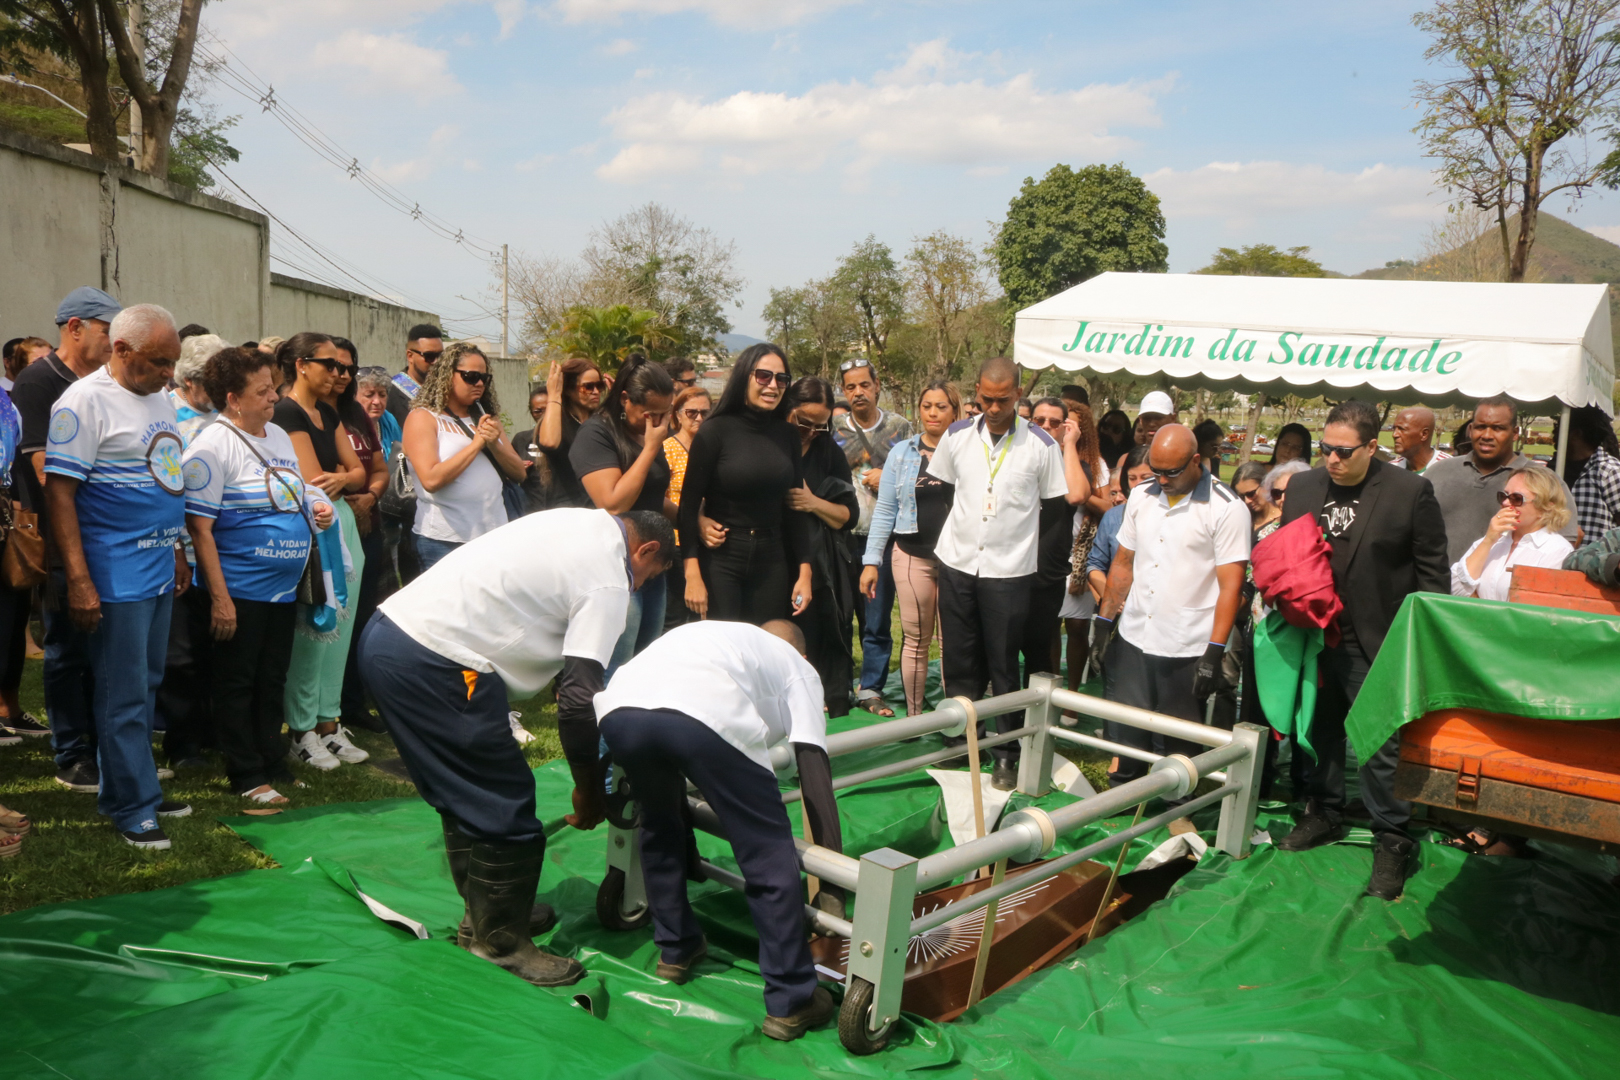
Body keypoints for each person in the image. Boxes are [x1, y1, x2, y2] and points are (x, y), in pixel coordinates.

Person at [359, 507, 675, 988]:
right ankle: (501, 947)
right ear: (645, 549)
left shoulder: (579, 521)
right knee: (505, 806)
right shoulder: (609, 578)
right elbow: (575, 702)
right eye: (647, 576)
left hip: (393, 635)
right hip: (438, 660)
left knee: (469, 793)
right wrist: (587, 788)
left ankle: (486, 919)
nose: (638, 588)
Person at [595, 618, 840, 1040]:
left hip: (619, 712)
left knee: (659, 822)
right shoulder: (798, 667)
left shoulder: (717, 637)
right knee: (767, 854)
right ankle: (791, 999)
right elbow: (812, 765)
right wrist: (834, 886)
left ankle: (676, 947)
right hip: (701, 716)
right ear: (801, 653)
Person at [1273, 400, 1449, 900]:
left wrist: (1422, 646)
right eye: (1325, 448)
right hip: (1313, 633)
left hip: (1378, 638)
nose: (1331, 458)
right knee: (1319, 729)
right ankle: (1323, 811)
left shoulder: (1410, 492)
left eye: (1343, 451)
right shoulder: (1305, 486)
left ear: (1373, 447)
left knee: (1378, 744)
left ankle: (1392, 839)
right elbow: (1288, 557)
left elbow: (1433, 575)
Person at [44, 303, 193, 849]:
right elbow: (60, 493)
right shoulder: (83, 402)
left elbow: (167, 474)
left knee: (146, 684)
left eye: (173, 363)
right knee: (121, 692)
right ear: (121, 350)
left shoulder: (157, 397)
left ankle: (135, 785)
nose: (168, 375)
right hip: (115, 569)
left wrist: (177, 547)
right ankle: (133, 807)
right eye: (159, 362)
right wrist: (79, 580)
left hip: (157, 564)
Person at [183, 346, 336, 805]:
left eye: (273, 387)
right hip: (238, 591)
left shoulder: (278, 436)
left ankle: (273, 761)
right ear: (233, 398)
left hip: (281, 591)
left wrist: (316, 507)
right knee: (237, 682)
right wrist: (220, 598)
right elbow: (200, 529)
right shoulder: (211, 447)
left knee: (272, 678)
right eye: (263, 390)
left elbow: (295, 490)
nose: (275, 397)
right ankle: (246, 773)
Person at [929, 356, 1088, 789]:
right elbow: (946, 492)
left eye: (1002, 400)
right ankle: (962, 740)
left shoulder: (1040, 445)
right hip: (959, 562)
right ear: (977, 393)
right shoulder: (957, 436)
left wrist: (1032, 564)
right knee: (960, 659)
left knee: (1003, 665)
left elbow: (1056, 510)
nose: (994, 408)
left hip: (1010, 572)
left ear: (1018, 394)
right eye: (986, 399)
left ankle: (1005, 752)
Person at [1092, 424, 1249, 793]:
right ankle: (1123, 796)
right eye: (1156, 470)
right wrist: (1104, 622)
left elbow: (1231, 587)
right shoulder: (1143, 497)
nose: (1161, 479)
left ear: (1196, 461)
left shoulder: (1227, 509)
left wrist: (1214, 651)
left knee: (1180, 741)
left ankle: (1178, 810)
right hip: (1134, 634)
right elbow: (1123, 563)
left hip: (1187, 643)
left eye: (1171, 472)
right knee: (1128, 729)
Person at [16, 286, 123, 791]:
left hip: (109, 536)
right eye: (106, 331)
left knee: (105, 646)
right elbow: (44, 472)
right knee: (65, 648)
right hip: (62, 539)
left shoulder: (109, 381)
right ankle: (72, 753)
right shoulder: (40, 383)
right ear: (75, 327)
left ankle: (107, 745)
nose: (113, 342)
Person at [273, 333, 369, 771]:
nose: (337, 373)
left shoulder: (327, 412)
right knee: (315, 628)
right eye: (328, 364)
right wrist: (343, 477)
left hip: (343, 520)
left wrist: (345, 478)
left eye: (340, 366)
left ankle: (329, 723)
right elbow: (312, 478)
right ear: (300, 365)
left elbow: (358, 472)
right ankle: (301, 729)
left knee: (341, 628)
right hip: (317, 525)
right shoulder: (286, 411)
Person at [678, 344, 813, 625]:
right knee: (723, 650)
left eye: (781, 379)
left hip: (773, 559)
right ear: (744, 377)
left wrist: (805, 571)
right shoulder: (714, 431)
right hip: (722, 558)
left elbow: (795, 507)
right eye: (764, 376)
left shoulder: (788, 435)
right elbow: (688, 506)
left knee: (765, 648)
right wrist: (692, 574)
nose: (773, 385)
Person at [861, 380, 960, 719]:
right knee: (916, 640)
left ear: (954, 411)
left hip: (956, 562)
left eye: (941, 406)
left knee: (952, 641)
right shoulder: (902, 454)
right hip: (911, 556)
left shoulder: (967, 450)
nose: (933, 413)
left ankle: (955, 717)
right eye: (927, 406)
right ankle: (915, 718)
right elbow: (886, 509)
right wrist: (871, 561)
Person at [571, 354, 677, 673]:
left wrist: (694, 517)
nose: (657, 422)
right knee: (617, 660)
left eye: (664, 413)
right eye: (650, 414)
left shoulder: (648, 433)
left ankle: (637, 720)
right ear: (625, 399)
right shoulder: (596, 434)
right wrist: (648, 450)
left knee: (645, 657)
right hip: (613, 565)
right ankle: (603, 720)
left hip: (650, 562)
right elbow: (613, 502)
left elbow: (654, 496)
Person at [154, 331, 228, 769]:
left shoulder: (226, 418)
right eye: (215, 383)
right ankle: (182, 745)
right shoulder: (168, 419)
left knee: (217, 649)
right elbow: (168, 492)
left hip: (223, 554)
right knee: (181, 655)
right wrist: (180, 549)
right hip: (181, 553)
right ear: (191, 381)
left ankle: (214, 731)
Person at [832, 358, 912, 717]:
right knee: (839, 615)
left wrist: (889, 477)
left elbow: (916, 476)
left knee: (876, 617)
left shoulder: (900, 428)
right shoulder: (832, 428)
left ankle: (872, 687)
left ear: (877, 386)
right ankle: (839, 685)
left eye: (864, 385)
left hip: (883, 540)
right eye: (850, 387)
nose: (858, 392)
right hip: (840, 537)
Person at [404, 342, 526, 573]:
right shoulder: (423, 418)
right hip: (444, 541)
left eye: (484, 378)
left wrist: (495, 445)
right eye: (470, 376)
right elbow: (431, 480)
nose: (479, 383)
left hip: (493, 535)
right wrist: (477, 443)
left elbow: (519, 472)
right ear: (447, 375)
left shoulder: (486, 417)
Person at [327, 339, 391, 734]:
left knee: (361, 618)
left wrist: (368, 497)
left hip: (368, 524)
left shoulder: (355, 415)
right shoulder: (302, 416)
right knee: (329, 620)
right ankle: (319, 716)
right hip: (329, 526)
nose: (342, 376)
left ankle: (352, 704)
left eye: (349, 369)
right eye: (335, 367)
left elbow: (379, 469)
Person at [1427, 396, 1577, 564]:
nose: (1487, 435)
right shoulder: (1439, 472)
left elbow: (1565, 543)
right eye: (1480, 427)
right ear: (1470, 429)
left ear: (1514, 433)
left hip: (1503, 586)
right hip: (1437, 586)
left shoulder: (1543, 481)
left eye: (1498, 428)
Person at [785, 376, 859, 716]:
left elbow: (848, 515)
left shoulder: (828, 452)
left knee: (821, 642)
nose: (812, 431)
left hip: (820, 567)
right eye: (805, 422)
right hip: (772, 562)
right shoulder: (767, 444)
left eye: (821, 425)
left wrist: (812, 502)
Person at [1022, 398, 1099, 706]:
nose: (1045, 427)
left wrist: (1068, 444)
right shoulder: (1016, 457)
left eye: (1055, 423)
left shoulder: (1073, 466)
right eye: (1038, 420)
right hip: (1011, 569)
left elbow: (1078, 494)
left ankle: (1035, 721)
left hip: (1047, 573)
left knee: (1039, 652)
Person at [1054, 403, 1112, 698]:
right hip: (1051, 554)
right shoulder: (1048, 456)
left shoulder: (1096, 464)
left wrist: (1081, 490)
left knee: (1076, 628)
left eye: (1072, 426)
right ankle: (1049, 692)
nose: (1066, 430)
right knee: (1049, 628)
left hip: (1080, 557)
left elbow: (1108, 507)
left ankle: (1072, 695)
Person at [1451, 467, 1574, 601]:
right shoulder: (1491, 540)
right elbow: (1455, 589)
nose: (1505, 503)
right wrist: (1488, 540)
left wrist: (1478, 601)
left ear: (1545, 507)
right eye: (1503, 496)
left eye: (1516, 498)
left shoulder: (1557, 550)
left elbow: (1534, 605)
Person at [660, 385, 710, 633]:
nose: (699, 418)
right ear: (677, 414)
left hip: (711, 540)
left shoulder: (713, 447)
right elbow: (660, 497)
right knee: (676, 615)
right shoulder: (667, 449)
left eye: (705, 413)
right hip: (679, 541)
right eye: (692, 412)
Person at [537, 356, 604, 508]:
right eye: (588, 387)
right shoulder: (559, 421)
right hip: (567, 510)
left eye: (599, 386)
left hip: (598, 508)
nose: (595, 392)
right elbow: (549, 443)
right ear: (568, 389)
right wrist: (554, 395)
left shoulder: (601, 422)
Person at [1566, 405, 1620, 540]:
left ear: (1575, 434)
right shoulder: (1556, 470)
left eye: (1559, 429)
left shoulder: (1608, 470)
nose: (1554, 435)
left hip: (1594, 559)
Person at [168, 333, 223, 444]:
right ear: (189, 380)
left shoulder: (229, 406)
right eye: (212, 384)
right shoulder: (168, 409)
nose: (220, 390)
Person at [508, 387, 555, 515]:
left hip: (563, 510)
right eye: (538, 411)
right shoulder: (521, 439)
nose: (543, 415)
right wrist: (517, 468)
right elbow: (508, 475)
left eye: (548, 409)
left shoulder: (569, 437)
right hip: (531, 512)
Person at [386, 324, 444, 426]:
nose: (436, 362)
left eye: (441, 356)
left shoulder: (447, 391)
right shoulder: (389, 393)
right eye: (429, 356)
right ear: (410, 356)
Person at [1388, 406, 1448, 472]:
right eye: (1394, 429)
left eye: (1401, 429)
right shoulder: (1392, 469)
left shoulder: (1449, 468)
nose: (1394, 435)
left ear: (1424, 434)